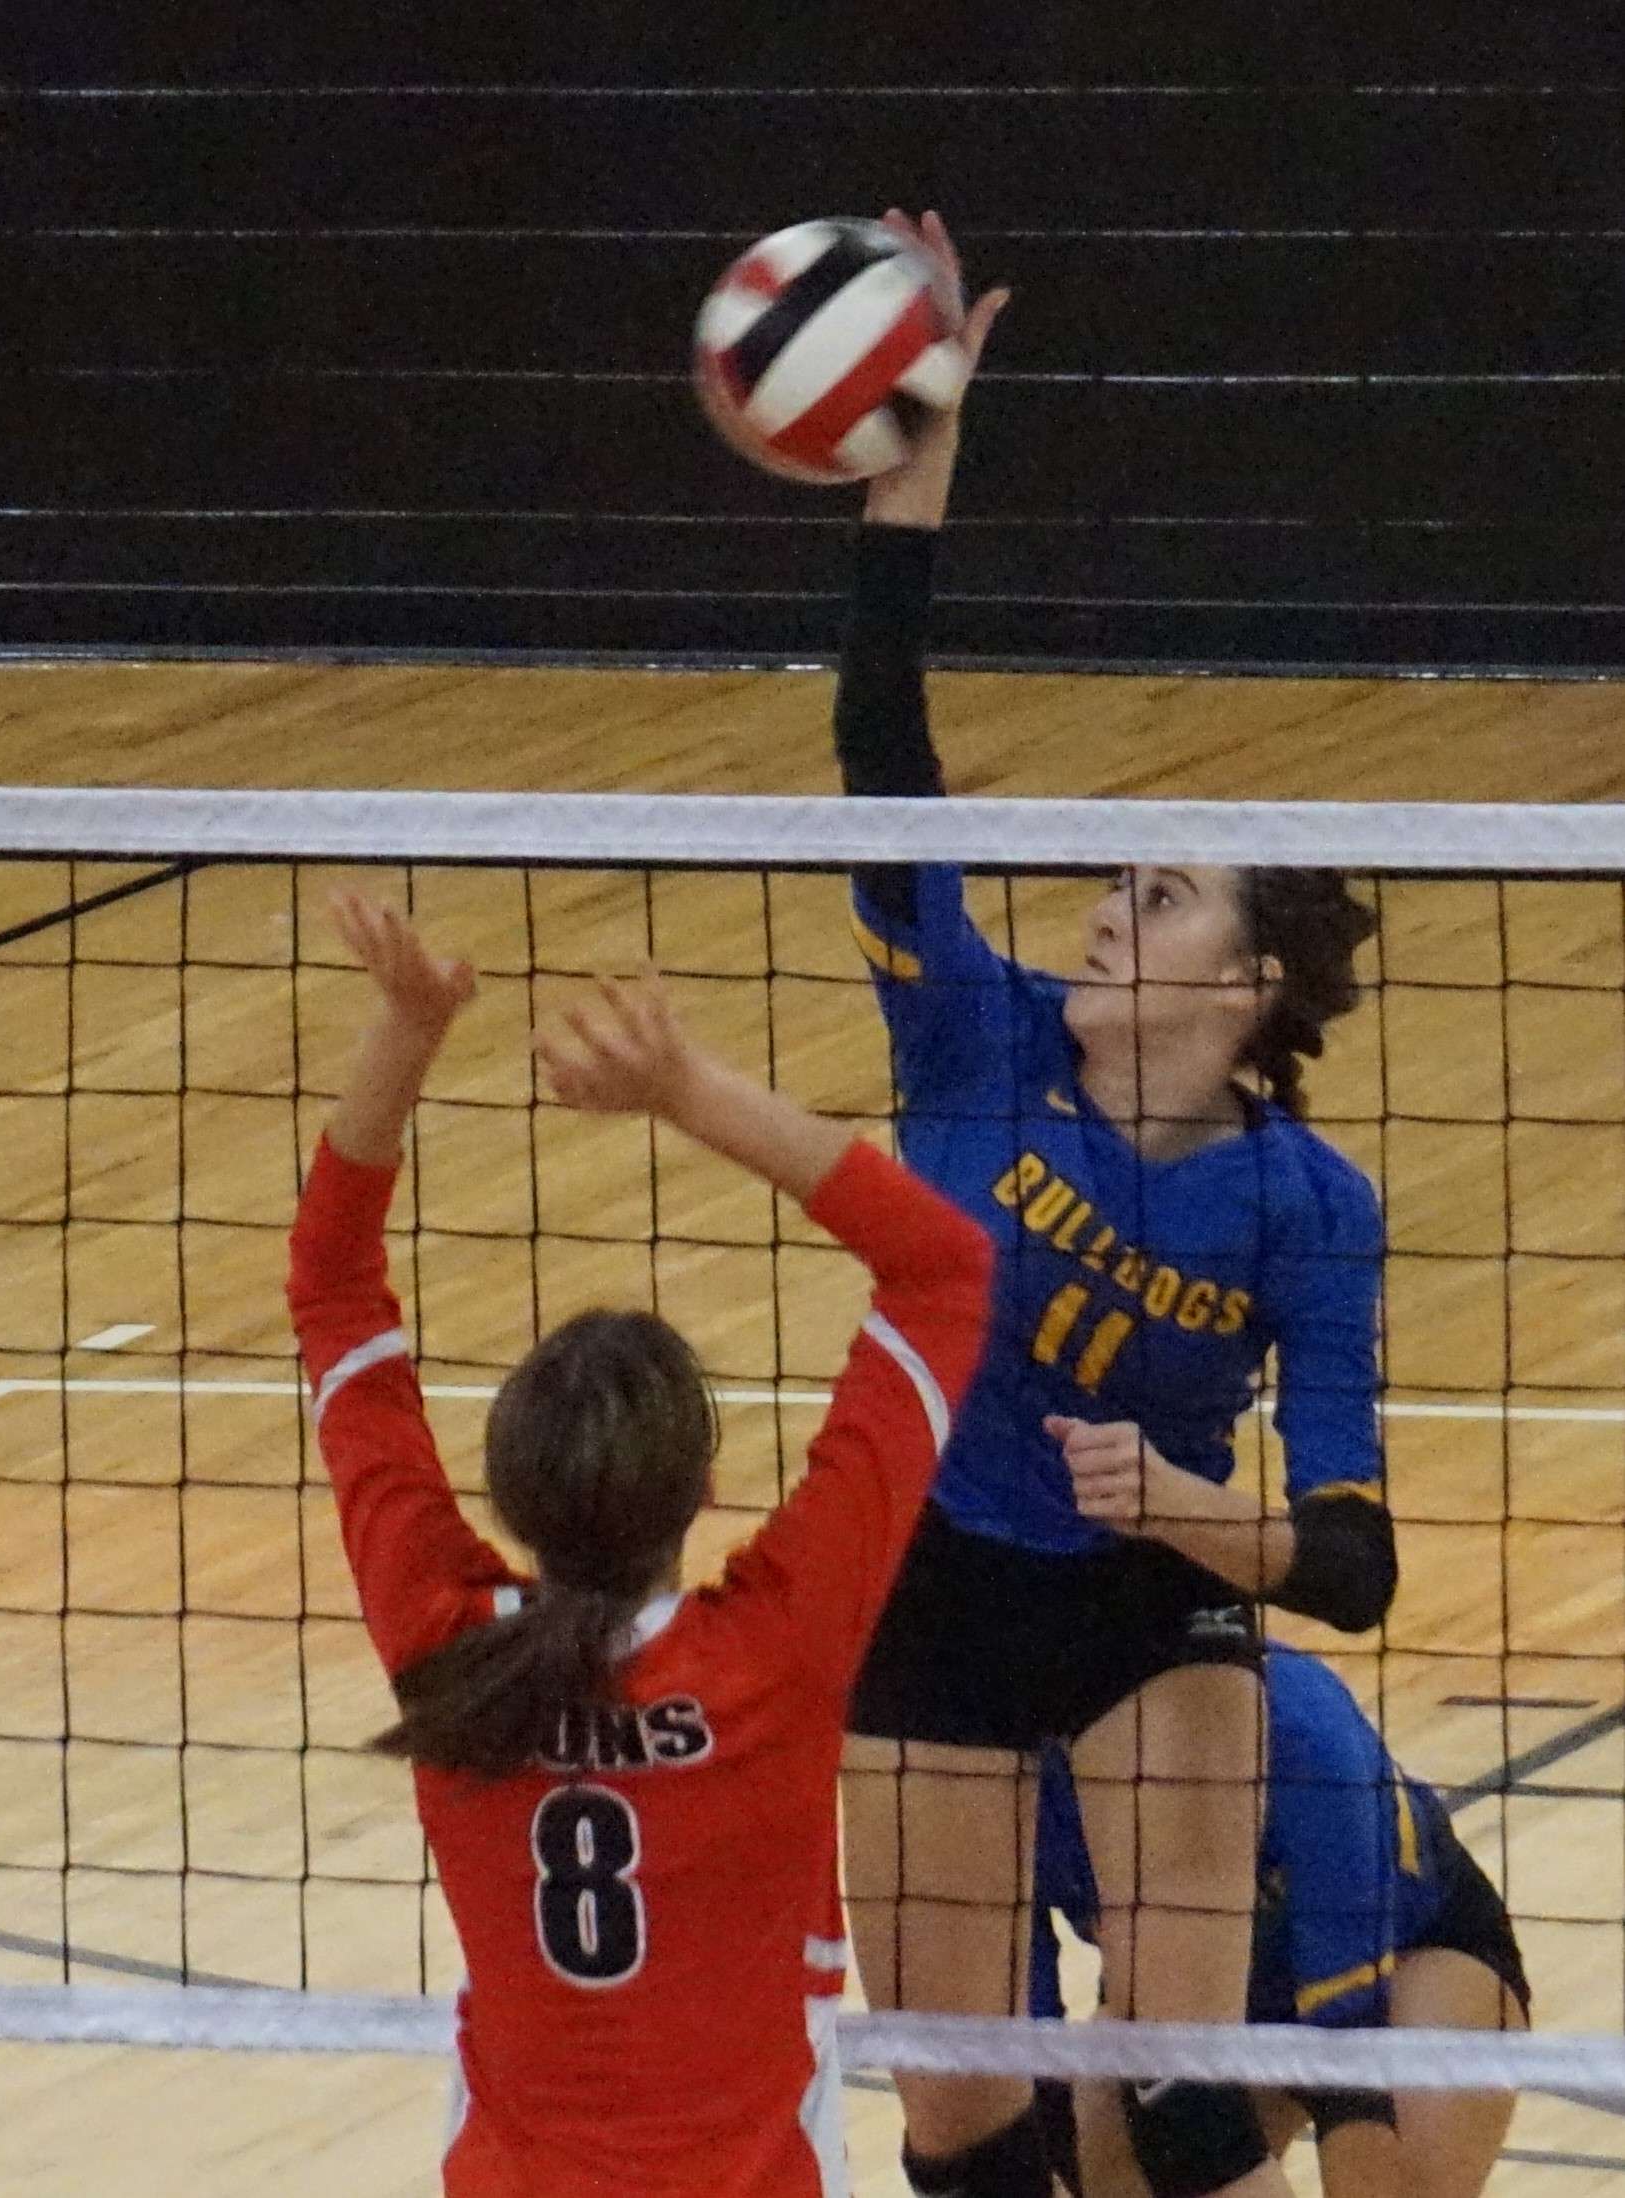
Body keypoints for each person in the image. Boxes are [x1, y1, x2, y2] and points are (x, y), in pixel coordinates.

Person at [828, 212, 1395, 2198]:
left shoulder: (1307, 1201)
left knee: (1167, 2089)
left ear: (1243, 990)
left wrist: (1178, 1505)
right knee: (959, 2113)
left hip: (1156, 1596)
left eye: (1152, 897)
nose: (1098, 904)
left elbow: (1349, 1560)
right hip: (936, 1581)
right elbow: (880, 761)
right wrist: (916, 482)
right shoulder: (976, 1043)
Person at [289, 894, 993, 2197]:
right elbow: (944, 1269)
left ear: (504, 1494)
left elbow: (329, 1286)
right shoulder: (774, 1648)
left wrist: (406, 1027)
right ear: (703, 1485)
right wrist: (685, 1090)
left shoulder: (447, 1645)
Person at [1028, 1644, 1528, 2198]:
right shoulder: (1002, 1762)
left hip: (1412, 1955)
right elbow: (1014, 2062)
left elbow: (1352, 2065)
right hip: (1208, 1994)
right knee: (1108, 2159)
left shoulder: (1302, 1726)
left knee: (1386, 2181)